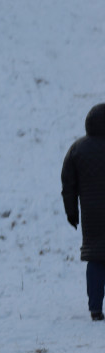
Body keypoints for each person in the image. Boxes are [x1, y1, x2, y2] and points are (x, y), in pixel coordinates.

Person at [61, 103, 105, 322]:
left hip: (92, 217)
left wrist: (71, 213)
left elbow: (68, 184)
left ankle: (95, 309)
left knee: (96, 260)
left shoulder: (78, 149)